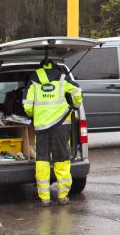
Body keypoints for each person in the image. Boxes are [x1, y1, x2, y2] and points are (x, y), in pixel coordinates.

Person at [23, 58, 82, 206]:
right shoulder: (62, 77)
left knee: (42, 160)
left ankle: (45, 198)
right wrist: (75, 105)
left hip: (41, 126)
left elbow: (27, 105)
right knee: (61, 158)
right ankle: (62, 196)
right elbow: (77, 91)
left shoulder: (34, 79)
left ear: (41, 67)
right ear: (54, 66)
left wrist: (33, 114)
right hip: (61, 125)